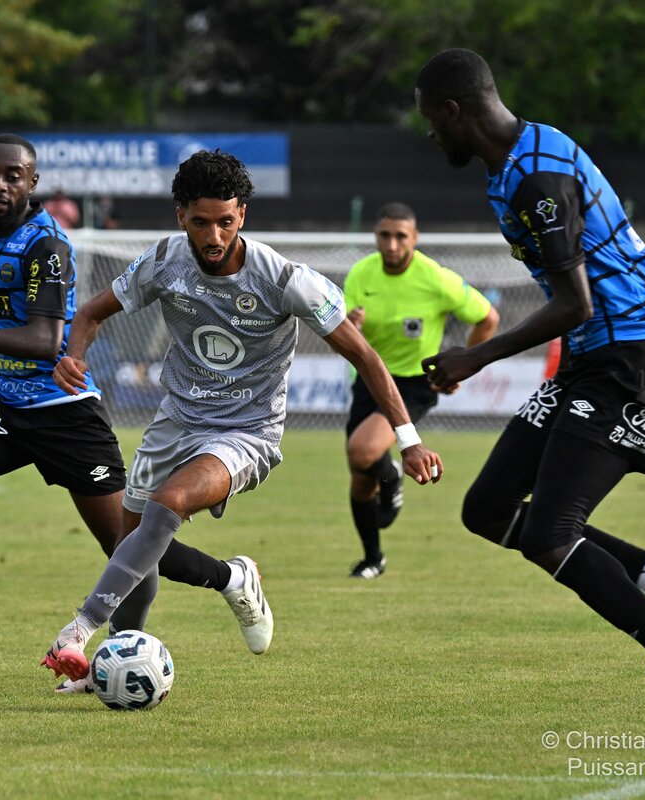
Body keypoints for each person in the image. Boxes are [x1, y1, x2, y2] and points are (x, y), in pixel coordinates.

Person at [414, 48, 645, 747]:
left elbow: (575, 303)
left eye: (431, 122)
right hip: (595, 356)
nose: (431, 137)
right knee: (488, 508)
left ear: (455, 111)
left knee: (550, 534)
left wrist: (475, 355)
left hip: (631, 354)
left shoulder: (536, 179)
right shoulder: (522, 157)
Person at [0, 135, 274, 675]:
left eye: (12, 176)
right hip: (5, 403)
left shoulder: (47, 246)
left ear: (32, 183)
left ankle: (231, 577)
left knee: (130, 548)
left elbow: (44, 341)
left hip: (64, 412)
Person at [42, 150, 444, 684]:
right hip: (175, 420)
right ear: (181, 216)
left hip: (247, 432)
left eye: (225, 222)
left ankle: (79, 630)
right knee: (132, 547)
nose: (214, 236)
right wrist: (74, 354)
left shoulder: (285, 279)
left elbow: (365, 356)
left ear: (243, 215)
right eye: (200, 222)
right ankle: (125, 657)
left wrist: (409, 440)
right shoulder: (164, 261)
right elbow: (91, 313)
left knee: (168, 504)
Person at [342, 203, 499, 578]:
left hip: (415, 383)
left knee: (363, 451)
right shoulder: (361, 273)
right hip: (368, 379)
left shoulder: (436, 278)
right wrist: (351, 324)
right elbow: (342, 330)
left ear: (414, 238)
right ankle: (373, 559)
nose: (392, 244)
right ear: (375, 236)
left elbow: (487, 318)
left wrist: (463, 366)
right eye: (385, 235)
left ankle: (393, 478)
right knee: (361, 475)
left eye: (401, 236)